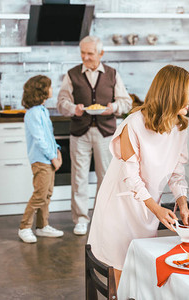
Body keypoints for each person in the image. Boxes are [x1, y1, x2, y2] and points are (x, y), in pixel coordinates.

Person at [87, 64, 189, 285]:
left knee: (142, 270)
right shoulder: (133, 125)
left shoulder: (180, 127)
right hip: (120, 207)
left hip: (147, 208)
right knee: (120, 272)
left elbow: (177, 172)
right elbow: (131, 177)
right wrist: (156, 209)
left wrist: (182, 204)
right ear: (173, 93)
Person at [57, 36, 132, 235]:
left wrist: (112, 108)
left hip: (106, 133)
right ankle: (81, 219)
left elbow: (126, 102)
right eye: (83, 53)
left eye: (90, 53)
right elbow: (61, 102)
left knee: (106, 177)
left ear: (101, 53)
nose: (85, 57)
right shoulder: (72, 74)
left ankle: (103, 217)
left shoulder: (112, 74)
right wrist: (74, 108)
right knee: (79, 177)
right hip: (79, 132)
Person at [18, 75, 64, 243]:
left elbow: (48, 137)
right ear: (41, 90)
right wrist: (53, 158)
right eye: (49, 86)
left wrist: (57, 152)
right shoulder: (33, 114)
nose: (52, 89)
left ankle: (42, 226)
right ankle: (24, 227)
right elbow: (39, 140)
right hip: (41, 160)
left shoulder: (43, 111)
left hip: (49, 159)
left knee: (47, 194)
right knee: (39, 195)